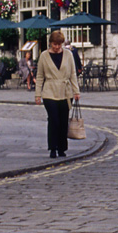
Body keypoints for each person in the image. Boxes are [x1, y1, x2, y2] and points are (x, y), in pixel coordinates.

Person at [34, 30, 80, 158]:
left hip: (65, 93)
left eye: (59, 45)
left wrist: (76, 91)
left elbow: (72, 74)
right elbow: (40, 76)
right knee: (53, 120)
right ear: (50, 43)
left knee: (63, 121)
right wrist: (38, 94)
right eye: (54, 44)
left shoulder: (69, 55)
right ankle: (52, 148)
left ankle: (62, 148)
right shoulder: (43, 56)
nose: (57, 47)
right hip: (49, 92)